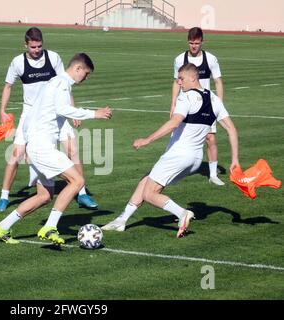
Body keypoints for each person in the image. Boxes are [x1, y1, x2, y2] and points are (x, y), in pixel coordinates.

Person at [102, 63, 239, 238]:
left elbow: (174, 122)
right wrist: (235, 159)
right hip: (195, 159)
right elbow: (232, 130)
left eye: (181, 79)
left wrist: (147, 140)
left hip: (179, 154)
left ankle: (182, 213)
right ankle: (121, 220)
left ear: (192, 78)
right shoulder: (214, 99)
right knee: (147, 179)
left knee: (150, 193)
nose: (179, 83)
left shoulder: (186, 96)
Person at [0, 53, 112, 245]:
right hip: (43, 147)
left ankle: (1, 227)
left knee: (44, 196)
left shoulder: (53, 82)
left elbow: (31, 115)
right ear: (78, 69)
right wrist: (94, 114)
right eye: (86, 74)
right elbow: (63, 109)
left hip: (37, 145)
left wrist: (29, 145)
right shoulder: (62, 83)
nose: (85, 78)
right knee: (77, 180)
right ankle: (50, 227)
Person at [0, 27, 98, 213]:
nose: (36, 50)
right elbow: (8, 86)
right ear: (25, 45)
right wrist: (2, 110)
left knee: (72, 150)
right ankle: (4, 196)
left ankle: (82, 193)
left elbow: (66, 83)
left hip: (56, 112)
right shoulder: (18, 62)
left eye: (39, 46)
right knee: (16, 154)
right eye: (33, 47)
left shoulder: (53, 58)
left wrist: (72, 112)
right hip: (31, 115)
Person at [171, 27, 225, 186]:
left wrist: (218, 104)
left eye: (196, 43)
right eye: (191, 43)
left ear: (202, 41)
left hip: (205, 106)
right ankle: (173, 171)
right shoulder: (180, 59)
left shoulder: (211, 59)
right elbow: (176, 82)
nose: (194, 46)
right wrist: (173, 103)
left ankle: (213, 175)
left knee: (210, 138)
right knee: (177, 137)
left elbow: (218, 82)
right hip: (185, 105)